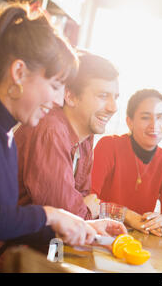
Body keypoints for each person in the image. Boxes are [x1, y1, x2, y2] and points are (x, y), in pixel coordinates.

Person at [0, 2, 126, 273]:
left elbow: (3, 226)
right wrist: (50, 214)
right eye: (54, 86)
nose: (59, 100)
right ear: (19, 73)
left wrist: (82, 227)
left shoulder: (5, 137)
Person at [15, 50, 119, 220]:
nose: (113, 107)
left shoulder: (85, 136)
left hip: (46, 241)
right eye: (103, 96)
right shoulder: (51, 129)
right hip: (10, 243)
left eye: (115, 97)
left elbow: (82, 200)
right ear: (70, 96)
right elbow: (67, 216)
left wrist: (82, 207)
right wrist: (85, 209)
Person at [92, 89, 162, 237]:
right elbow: (89, 199)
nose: (154, 125)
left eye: (161, 117)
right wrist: (127, 215)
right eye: (145, 117)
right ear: (130, 122)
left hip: (138, 239)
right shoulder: (109, 146)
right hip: (100, 234)